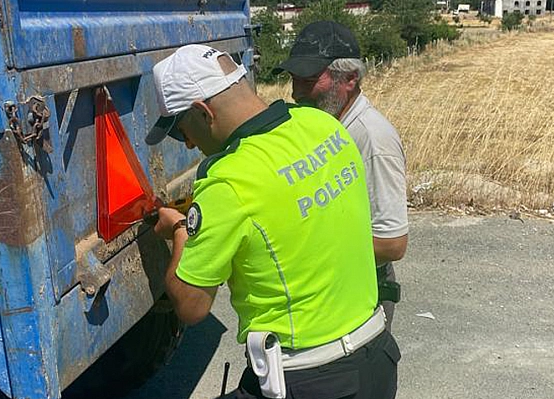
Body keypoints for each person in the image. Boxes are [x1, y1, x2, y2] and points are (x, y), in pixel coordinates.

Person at [145, 44, 400, 399]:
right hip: (377, 359)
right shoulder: (323, 125)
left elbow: (191, 306)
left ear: (203, 113)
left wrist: (178, 230)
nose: (188, 143)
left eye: (180, 129)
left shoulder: (228, 181)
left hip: (310, 380)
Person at [273, 21, 409, 331]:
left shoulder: (372, 140)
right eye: (294, 79)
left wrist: (304, 248)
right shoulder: (328, 125)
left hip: (363, 293)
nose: (296, 93)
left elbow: (392, 244)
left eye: (308, 80)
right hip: (333, 288)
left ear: (349, 79)